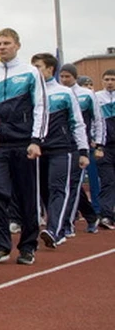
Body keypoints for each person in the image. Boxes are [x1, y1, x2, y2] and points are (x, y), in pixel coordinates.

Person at [0, 29, 46, 266]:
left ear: (17, 45)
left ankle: (28, 246)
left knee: (27, 197)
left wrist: (36, 139)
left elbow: (40, 106)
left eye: (7, 43)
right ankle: (1, 245)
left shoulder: (30, 73)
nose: (2, 47)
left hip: (24, 143)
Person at [32, 54, 89, 248]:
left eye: (38, 66)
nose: (34, 70)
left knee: (58, 188)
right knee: (43, 190)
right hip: (38, 150)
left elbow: (77, 123)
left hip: (61, 149)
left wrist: (83, 150)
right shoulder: (31, 92)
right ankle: (56, 226)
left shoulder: (64, 93)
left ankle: (55, 230)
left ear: (50, 69)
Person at [59, 65, 105, 234]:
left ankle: (67, 225)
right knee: (63, 185)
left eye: (67, 77)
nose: (64, 80)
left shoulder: (87, 95)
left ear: (75, 77)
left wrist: (99, 143)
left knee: (73, 185)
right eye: (62, 76)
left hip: (80, 146)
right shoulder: (57, 93)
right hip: (60, 145)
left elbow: (98, 120)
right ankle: (91, 216)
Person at [92, 69, 115, 229]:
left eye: (113, 79)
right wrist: (94, 140)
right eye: (106, 79)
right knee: (108, 180)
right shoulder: (96, 97)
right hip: (104, 147)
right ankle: (106, 214)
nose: (109, 82)